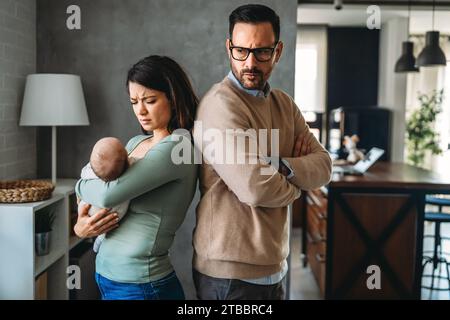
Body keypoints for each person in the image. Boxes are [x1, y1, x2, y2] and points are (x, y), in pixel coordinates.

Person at [192, 4, 332, 300]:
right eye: (241, 51)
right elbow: (255, 188)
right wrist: (297, 187)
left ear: (278, 50)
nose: (250, 63)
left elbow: (324, 166)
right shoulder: (220, 105)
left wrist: (277, 165)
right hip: (229, 275)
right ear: (229, 48)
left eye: (262, 52)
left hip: (275, 266)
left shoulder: (284, 105)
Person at [74, 55, 198, 300]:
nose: (140, 110)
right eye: (134, 101)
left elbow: (109, 194)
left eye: (150, 100)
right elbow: (101, 195)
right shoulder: (135, 142)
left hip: (142, 286)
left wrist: (79, 184)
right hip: (109, 278)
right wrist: (80, 228)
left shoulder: (177, 149)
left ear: (173, 98)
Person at [77, 137, 136, 253]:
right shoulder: (130, 168)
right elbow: (134, 162)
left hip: (90, 209)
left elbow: (81, 179)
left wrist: (80, 191)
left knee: (84, 203)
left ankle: (100, 237)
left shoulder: (90, 171)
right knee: (122, 204)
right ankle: (101, 237)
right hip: (113, 213)